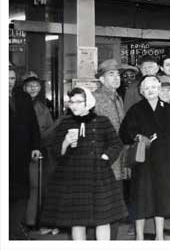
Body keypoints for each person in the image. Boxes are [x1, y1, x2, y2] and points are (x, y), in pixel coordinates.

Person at [41, 87, 127, 240]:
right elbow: (55, 151)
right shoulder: (65, 122)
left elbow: (116, 144)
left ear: (88, 102)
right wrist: (65, 142)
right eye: (71, 102)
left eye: (78, 102)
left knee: (102, 219)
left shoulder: (102, 121)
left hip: (98, 174)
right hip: (73, 176)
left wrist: (106, 157)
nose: (74, 105)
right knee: (77, 221)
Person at [119, 76, 170, 240]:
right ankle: (139, 237)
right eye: (146, 88)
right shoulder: (136, 109)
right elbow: (125, 132)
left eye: (153, 87)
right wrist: (138, 136)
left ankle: (159, 236)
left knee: (161, 197)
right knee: (141, 198)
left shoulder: (168, 108)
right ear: (141, 92)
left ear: (159, 88)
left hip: (164, 159)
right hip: (143, 160)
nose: (150, 90)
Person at [93, 59, 129, 239]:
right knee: (102, 209)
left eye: (118, 74)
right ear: (101, 79)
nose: (116, 78)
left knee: (114, 207)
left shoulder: (118, 98)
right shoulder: (95, 98)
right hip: (104, 161)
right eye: (111, 74)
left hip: (118, 160)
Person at [9, 67, 41, 240]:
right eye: (6, 78)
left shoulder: (23, 97)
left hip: (22, 152)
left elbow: (33, 124)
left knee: (22, 192)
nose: (9, 81)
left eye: (12, 78)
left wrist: (36, 146)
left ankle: (15, 228)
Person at [21, 75, 56, 231]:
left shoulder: (42, 106)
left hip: (40, 151)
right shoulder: (21, 104)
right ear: (23, 88)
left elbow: (48, 128)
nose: (33, 88)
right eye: (29, 86)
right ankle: (27, 222)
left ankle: (33, 221)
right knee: (30, 187)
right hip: (25, 151)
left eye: (36, 85)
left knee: (37, 187)